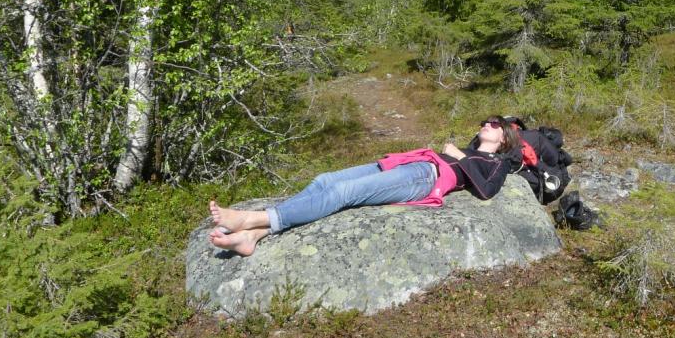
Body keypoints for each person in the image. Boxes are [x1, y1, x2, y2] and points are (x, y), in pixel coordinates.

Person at [207, 115, 522, 256]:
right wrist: (458, 153)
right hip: (407, 165)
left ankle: (253, 218)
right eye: (484, 122)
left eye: (494, 124)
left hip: (424, 177)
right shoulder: (468, 149)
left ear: (504, 137)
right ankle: (254, 235)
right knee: (324, 180)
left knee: (342, 194)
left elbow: (487, 191)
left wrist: (459, 157)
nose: (486, 124)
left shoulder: (498, 162)